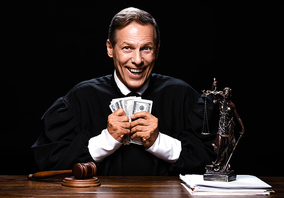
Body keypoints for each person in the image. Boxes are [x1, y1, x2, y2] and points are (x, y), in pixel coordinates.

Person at [32, 7, 216, 176]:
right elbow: (49, 165)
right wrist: (105, 141)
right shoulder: (80, 98)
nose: (137, 60)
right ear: (110, 49)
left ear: (157, 51)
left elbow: (215, 163)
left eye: (146, 48)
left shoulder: (182, 96)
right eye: (127, 48)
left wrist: (159, 143)